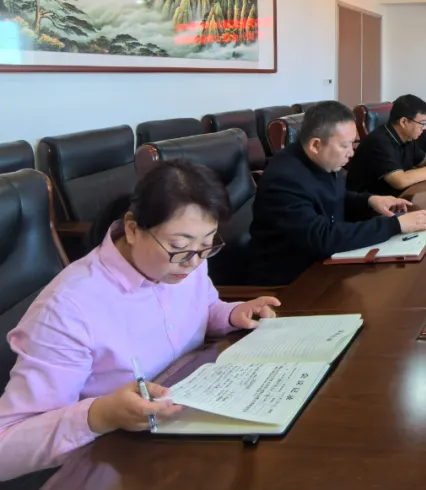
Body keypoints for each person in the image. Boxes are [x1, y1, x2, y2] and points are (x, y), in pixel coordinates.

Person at [0, 161, 280, 481]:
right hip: (107, 463)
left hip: (179, 433)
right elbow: (5, 445)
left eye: (207, 246)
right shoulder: (68, 308)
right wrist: (99, 415)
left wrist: (230, 313)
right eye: (179, 247)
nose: (193, 263)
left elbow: (202, 307)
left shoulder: (185, 260)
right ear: (132, 230)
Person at [249, 101, 426, 284]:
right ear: (316, 145)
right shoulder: (284, 178)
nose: (351, 153)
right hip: (294, 282)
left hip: (326, 263)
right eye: (344, 146)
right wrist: (394, 225)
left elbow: (336, 197)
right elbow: (321, 237)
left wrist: (370, 201)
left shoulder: (321, 161)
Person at [350, 94, 426, 195]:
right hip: (369, 205)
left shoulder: (408, 136)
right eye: (422, 123)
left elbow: (424, 160)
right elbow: (400, 180)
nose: (425, 128)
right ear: (404, 122)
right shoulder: (379, 141)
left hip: (396, 198)